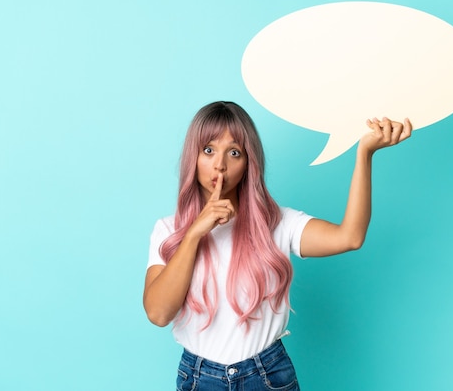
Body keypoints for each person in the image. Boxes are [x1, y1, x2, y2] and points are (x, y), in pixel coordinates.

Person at [144, 101, 412, 391]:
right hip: (200, 378)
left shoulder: (278, 223)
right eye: (208, 150)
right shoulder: (169, 230)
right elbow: (158, 314)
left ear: (248, 163)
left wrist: (365, 153)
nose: (219, 164)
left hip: (267, 376)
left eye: (234, 152)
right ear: (192, 157)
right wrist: (195, 233)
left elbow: (350, 237)